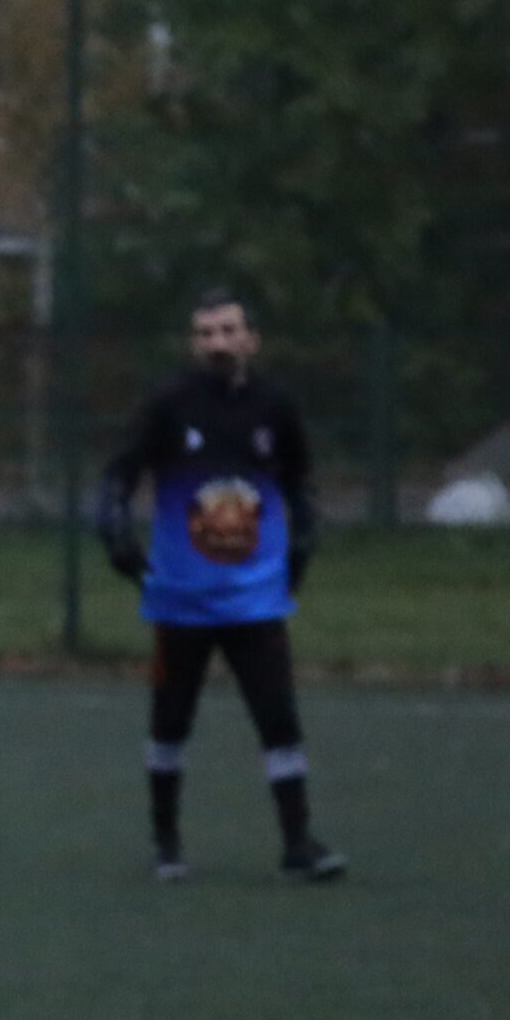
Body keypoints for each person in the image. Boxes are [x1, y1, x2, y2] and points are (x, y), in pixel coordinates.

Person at [97, 289, 347, 883]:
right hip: (180, 598)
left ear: (251, 339)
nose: (218, 343)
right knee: (171, 719)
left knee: (277, 716)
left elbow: (299, 480)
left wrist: (304, 536)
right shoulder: (167, 403)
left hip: (254, 598)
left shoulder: (275, 406)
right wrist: (114, 530)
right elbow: (118, 475)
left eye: (228, 330)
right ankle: (166, 843)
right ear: (193, 343)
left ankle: (298, 844)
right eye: (205, 333)